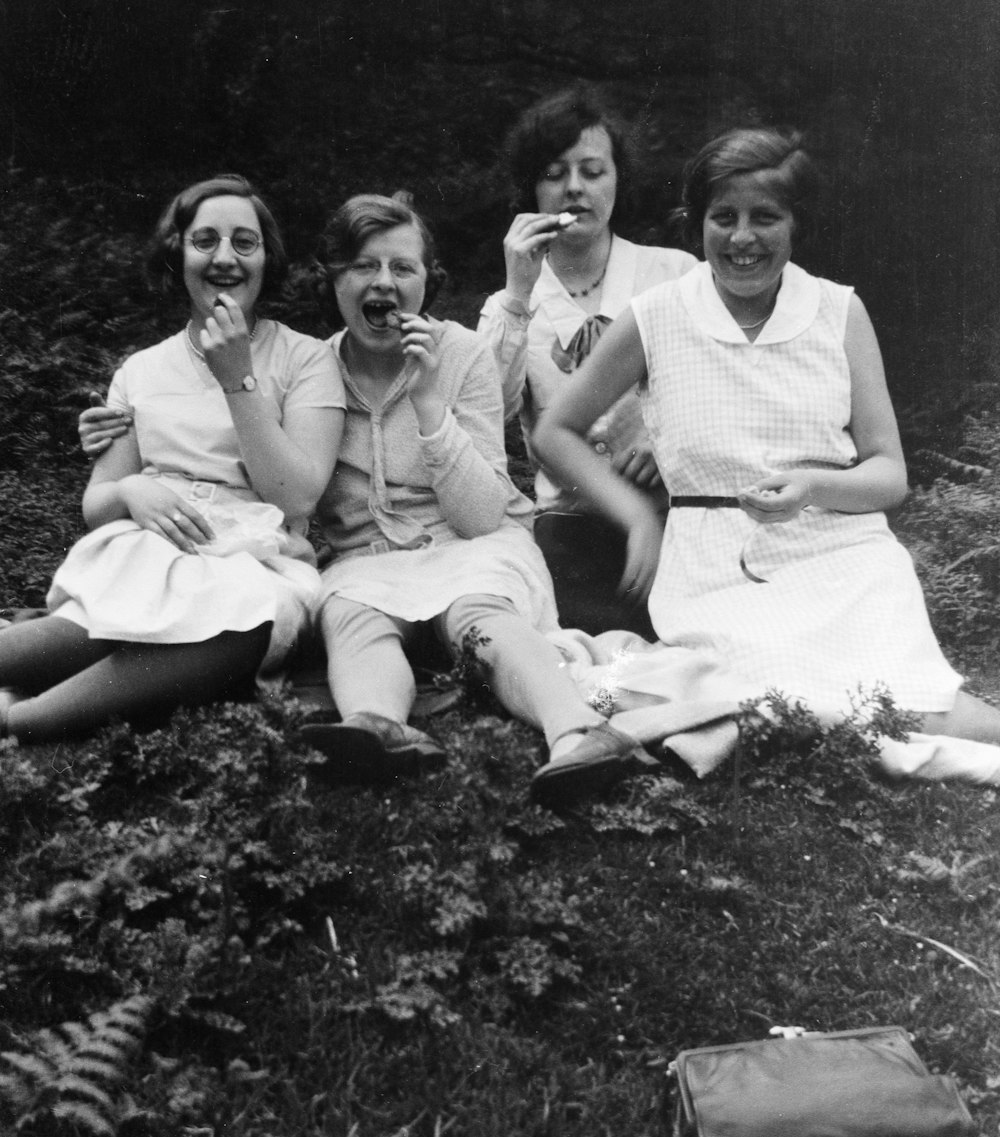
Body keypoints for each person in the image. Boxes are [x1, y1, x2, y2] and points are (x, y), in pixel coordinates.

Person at [531, 126, 1000, 785]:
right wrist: (637, 517)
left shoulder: (839, 312)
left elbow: (888, 472)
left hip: (845, 560)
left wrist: (811, 485)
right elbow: (555, 430)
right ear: (697, 224)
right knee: (795, 697)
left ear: (795, 223)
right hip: (715, 567)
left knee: (914, 706)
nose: (742, 238)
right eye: (724, 217)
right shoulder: (659, 315)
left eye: (765, 217)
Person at [297, 192, 633, 806]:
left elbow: (481, 515)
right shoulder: (309, 369)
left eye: (403, 268)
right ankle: (378, 727)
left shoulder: (461, 354)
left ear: (429, 281)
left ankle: (580, 731)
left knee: (480, 616)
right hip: (367, 561)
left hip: (472, 547)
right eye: (364, 267)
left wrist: (429, 406)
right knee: (351, 616)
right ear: (334, 280)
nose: (384, 284)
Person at [14, 173, 344, 744]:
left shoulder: (306, 359)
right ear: (178, 254)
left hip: (258, 563)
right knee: (70, 637)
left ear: (268, 258)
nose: (225, 258)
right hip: (151, 555)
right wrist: (129, 492)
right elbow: (99, 502)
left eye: (245, 242)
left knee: (246, 626)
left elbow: (298, 496)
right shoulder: (141, 370)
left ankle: (19, 718)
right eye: (205, 241)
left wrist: (238, 375)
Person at [478, 87, 695, 632]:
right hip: (571, 527)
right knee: (590, 651)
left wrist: (666, 438)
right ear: (530, 189)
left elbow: (726, 385)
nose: (574, 187)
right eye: (553, 174)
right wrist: (517, 295)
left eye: (593, 171)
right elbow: (486, 415)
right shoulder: (511, 305)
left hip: (678, 516)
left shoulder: (674, 274)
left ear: (618, 178)